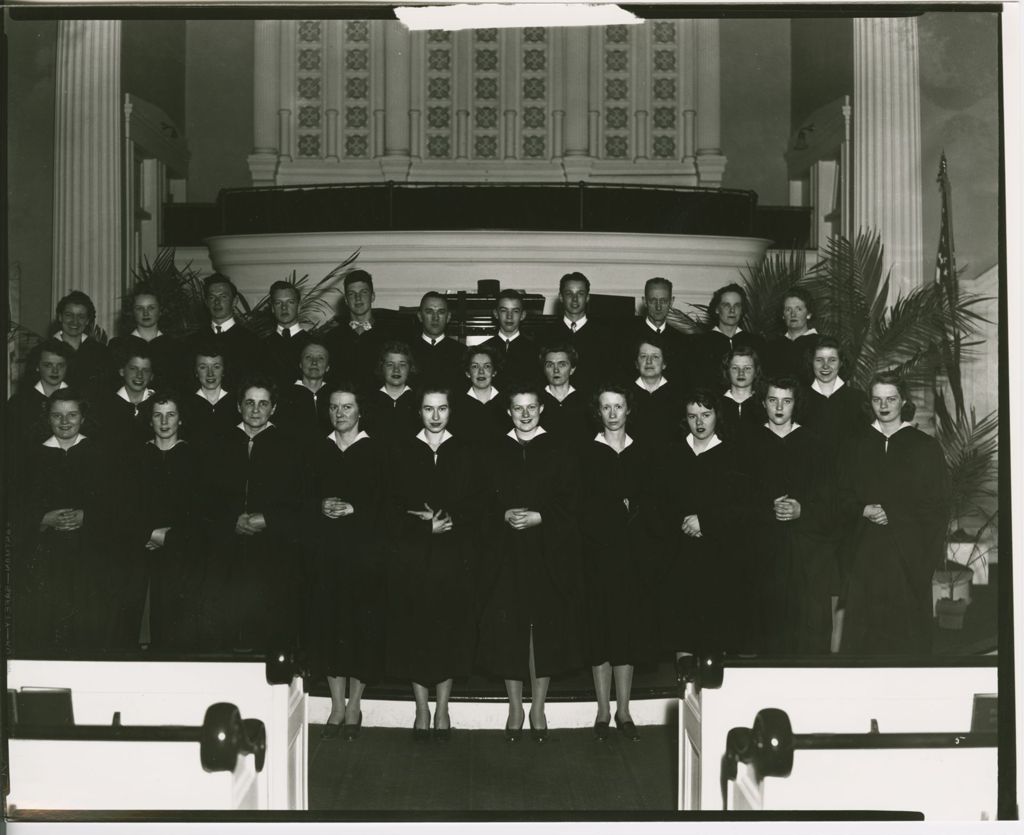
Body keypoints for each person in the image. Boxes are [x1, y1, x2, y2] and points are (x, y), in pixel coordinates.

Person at [477, 387, 583, 742]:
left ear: (542, 408)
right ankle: (514, 707)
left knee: (542, 631)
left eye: (531, 407)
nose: (525, 415)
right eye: (517, 408)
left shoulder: (559, 449)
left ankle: (538, 706)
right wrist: (501, 512)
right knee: (510, 629)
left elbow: (572, 501)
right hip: (505, 552)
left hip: (545, 550)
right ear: (508, 411)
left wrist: (541, 517)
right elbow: (480, 500)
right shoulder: (493, 450)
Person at [836, 373, 950, 655]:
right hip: (864, 551)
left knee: (906, 635)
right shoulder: (854, 445)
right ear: (870, 403)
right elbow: (839, 495)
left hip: (906, 555)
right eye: (877, 399)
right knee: (864, 637)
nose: (884, 405)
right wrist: (862, 509)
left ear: (903, 401)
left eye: (891, 399)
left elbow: (937, 504)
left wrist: (894, 513)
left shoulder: (924, 447)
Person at [386, 388, 477, 740]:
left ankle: (442, 708)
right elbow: (390, 506)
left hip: (452, 557)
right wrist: (424, 525)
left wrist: (449, 520)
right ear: (419, 412)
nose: (435, 416)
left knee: (447, 631)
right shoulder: (403, 451)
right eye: (428, 409)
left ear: (451, 410)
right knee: (416, 631)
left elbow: (477, 503)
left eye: (442, 408)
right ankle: (421, 708)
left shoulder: (464, 451)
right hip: (412, 557)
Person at [579, 384, 660, 741]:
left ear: (629, 410)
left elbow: (652, 501)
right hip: (597, 555)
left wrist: (632, 512)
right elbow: (580, 504)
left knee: (626, 629)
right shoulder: (586, 452)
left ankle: (624, 710)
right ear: (599, 411)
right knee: (599, 629)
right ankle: (602, 710)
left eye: (619, 406)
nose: (613, 413)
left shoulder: (643, 451)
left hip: (632, 556)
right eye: (606, 407)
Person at [305, 383, 385, 740]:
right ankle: (336, 705)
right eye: (335, 407)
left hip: (362, 552)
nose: (340, 413)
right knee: (330, 625)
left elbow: (390, 504)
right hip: (327, 551)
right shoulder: (317, 450)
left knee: (359, 626)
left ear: (359, 411)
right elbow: (299, 496)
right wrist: (318, 507)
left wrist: (357, 509)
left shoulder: (376, 450)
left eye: (347, 407)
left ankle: (355, 704)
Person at [199, 377, 302, 653]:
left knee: (268, 626)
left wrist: (269, 519)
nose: (256, 410)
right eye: (249, 403)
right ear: (238, 406)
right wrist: (231, 520)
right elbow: (204, 498)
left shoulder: (291, 447)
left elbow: (301, 500)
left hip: (272, 549)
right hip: (227, 548)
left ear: (274, 408)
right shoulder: (219, 444)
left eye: (263, 403)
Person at [12, 389, 113, 655]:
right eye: (57, 415)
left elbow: (119, 506)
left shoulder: (101, 455)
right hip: (45, 561)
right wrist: (43, 519)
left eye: (72, 415)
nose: (65, 421)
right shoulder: (30, 457)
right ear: (47, 418)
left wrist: (87, 517)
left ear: (82, 418)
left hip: (90, 560)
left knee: (88, 633)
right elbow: (14, 507)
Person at [658, 389, 751, 658]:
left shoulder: (733, 455)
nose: (699, 423)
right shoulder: (672, 454)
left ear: (716, 417)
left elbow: (744, 508)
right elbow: (660, 503)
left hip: (720, 558)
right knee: (683, 637)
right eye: (692, 416)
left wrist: (707, 522)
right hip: (680, 558)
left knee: (716, 637)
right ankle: (686, 698)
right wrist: (682, 523)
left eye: (706, 415)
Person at [744, 377, 830, 653]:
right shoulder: (748, 443)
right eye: (773, 400)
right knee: (765, 632)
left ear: (796, 404)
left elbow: (831, 500)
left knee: (805, 633)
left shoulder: (815, 444)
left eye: (787, 400)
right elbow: (736, 498)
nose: (779, 407)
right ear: (763, 403)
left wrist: (801, 510)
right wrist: (766, 510)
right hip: (763, 553)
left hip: (804, 554)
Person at [131, 393, 205, 651]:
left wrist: (170, 538)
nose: (164, 422)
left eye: (171, 415)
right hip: (139, 549)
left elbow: (201, 512)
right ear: (149, 420)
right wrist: (147, 534)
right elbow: (123, 506)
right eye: (157, 415)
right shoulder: (135, 457)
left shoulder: (195, 459)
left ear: (180, 419)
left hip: (182, 554)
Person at [27, 291, 113, 396]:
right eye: (69, 315)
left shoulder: (102, 352)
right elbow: (31, 392)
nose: (74, 321)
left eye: (81, 316)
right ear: (60, 317)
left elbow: (108, 392)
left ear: (87, 321)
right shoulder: (40, 351)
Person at [185, 274, 262, 387]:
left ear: (235, 301)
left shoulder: (251, 341)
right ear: (206, 302)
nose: (217, 302)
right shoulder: (193, 341)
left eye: (223, 296)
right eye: (212, 297)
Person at [326, 269, 393, 397]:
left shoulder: (390, 335)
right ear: (346, 299)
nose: (358, 298)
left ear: (372, 296)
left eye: (364, 292)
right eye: (352, 294)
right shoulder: (332, 338)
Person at [108, 285, 187, 391]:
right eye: (139, 308)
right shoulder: (118, 345)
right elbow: (113, 384)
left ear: (161, 310)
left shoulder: (175, 346)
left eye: (151, 308)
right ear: (132, 312)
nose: (145, 313)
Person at [621, 278, 692, 389]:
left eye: (663, 301)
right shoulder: (627, 337)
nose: (658, 307)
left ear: (671, 301)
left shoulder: (682, 340)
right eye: (653, 300)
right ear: (644, 301)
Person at [691, 284, 765, 389]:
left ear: (742, 310)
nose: (732, 310)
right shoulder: (700, 343)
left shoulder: (757, 343)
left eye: (737, 305)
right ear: (717, 309)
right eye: (726, 305)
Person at [94, 345, 157, 445]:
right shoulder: (106, 406)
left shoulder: (158, 404)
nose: (139, 375)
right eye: (133, 368)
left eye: (145, 370)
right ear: (122, 371)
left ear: (152, 376)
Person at [274, 339, 333, 442]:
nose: (314, 362)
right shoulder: (283, 396)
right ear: (300, 364)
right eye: (308, 357)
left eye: (321, 358)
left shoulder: (336, 396)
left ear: (327, 367)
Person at [365, 341, 420, 449]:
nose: (396, 369)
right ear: (382, 367)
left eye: (402, 364)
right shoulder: (368, 401)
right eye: (390, 364)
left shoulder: (418, 401)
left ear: (410, 368)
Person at [450, 345, 508, 448]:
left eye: (487, 366)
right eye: (475, 366)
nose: (481, 371)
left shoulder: (506, 402)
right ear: (468, 373)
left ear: (494, 372)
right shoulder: (456, 403)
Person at [629, 339, 684, 446]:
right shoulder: (625, 394)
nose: (649, 361)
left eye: (655, 357)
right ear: (636, 363)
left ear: (664, 364)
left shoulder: (679, 394)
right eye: (643, 356)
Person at [538, 343, 591, 452]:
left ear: (572, 369)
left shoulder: (586, 400)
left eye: (562, 365)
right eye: (550, 365)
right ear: (544, 369)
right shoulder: (535, 400)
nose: (556, 370)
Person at [480, 289, 539, 387]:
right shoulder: (483, 349)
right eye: (504, 310)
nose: (509, 316)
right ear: (495, 313)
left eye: (515, 311)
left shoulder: (535, 350)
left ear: (523, 315)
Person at [182, 345, 237, 448]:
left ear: (224, 370)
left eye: (216, 367)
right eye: (203, 367)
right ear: (196, 372)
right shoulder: (186, 405)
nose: (210, 373)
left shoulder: (235, 403)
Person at [261, 281, 311, 389]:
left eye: (290, 302)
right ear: (272, 308)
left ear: (299, 306)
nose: (284, 307)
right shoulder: (261, 346)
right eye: (278, 303)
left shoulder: (313, 343)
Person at [409, 292, 463, 391]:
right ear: (420, 316)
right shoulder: (407, 351)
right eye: (429, 311)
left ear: (448, 317)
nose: (435, 318)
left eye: (441, 312)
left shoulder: (462, 352)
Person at [763, 288, 820, 382]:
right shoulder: (772, 346)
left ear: (809, 314)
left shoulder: (821, 344)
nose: (793, 314)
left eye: (799, 309)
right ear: (783, 315)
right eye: (788, 309)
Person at [718, 346, 766, 441]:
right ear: (727, 371)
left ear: (756, 371)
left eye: (747, 368)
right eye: (735, 368)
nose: (741, 373)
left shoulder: (763, 404)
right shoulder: (716, 403)